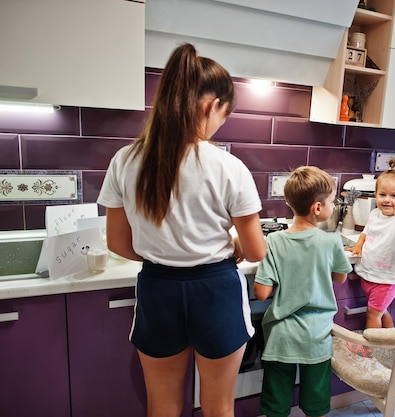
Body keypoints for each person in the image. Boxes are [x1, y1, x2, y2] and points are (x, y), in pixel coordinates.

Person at [97, 43, 267, 417]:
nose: (222, 123)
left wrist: (168, 250)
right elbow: (256, 252)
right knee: (218, 407)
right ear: (211, 106)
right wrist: (234, 240)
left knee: (162, 406)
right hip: (215, 290)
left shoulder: (125, 160)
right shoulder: (229, 166)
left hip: (158, 290)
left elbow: (118, 243)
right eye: (225, 114)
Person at [254, 166, 353, 417]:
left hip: (281, 336)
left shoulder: (273, 242)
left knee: (276, 403)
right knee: (315, 402)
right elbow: (340, 278)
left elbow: (262, 293)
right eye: (333, 201)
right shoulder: (331, 241)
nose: (334, 206)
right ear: (317, 208)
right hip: (317, 337)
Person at [347, 169, 395, 356]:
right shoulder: (375, 214)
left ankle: (372, 348)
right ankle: (390, 340)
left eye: (394, 195)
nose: (387, 200)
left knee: (373, 314)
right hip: (368, 274)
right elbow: (366, 232)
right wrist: (358, 246)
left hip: (386, 280)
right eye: (382, 194)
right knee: (381, 311)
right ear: (375, 195)